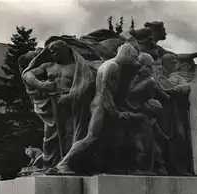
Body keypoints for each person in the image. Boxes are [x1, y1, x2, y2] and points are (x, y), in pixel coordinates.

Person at [48, 39, 142, 174]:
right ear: (126, 52)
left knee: (103, 139)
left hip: (101, 105)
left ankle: (106, 166)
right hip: (100, 106)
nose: (134, 60)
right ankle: (64, 163)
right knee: (91, 137)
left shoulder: (109, 64)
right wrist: (115, 112)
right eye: (133, 57)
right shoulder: (112, 66)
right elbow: (105, 93)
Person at [21, 41, 96, 169]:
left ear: (65, 50)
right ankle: (48, 163)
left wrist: (71, 96)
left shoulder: (78, 66)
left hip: (73, 105)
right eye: (51, 52)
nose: (53, 54)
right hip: (54, 105)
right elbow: (27, 74)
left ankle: (68, 164)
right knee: (49, 138)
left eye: (56, 51)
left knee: (71, 134)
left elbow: (88, 82)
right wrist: (41, 84)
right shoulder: (49, 66)